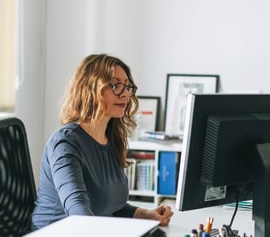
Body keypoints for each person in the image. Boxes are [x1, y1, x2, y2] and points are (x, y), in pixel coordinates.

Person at [31, 54, 174, 230]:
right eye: (115, 85)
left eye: (127, 86)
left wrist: (147, 214)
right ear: (90, 88)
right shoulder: (65, 143)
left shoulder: (111, 138)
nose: (125, 93)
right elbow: (80, 216)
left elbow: (110, 208)